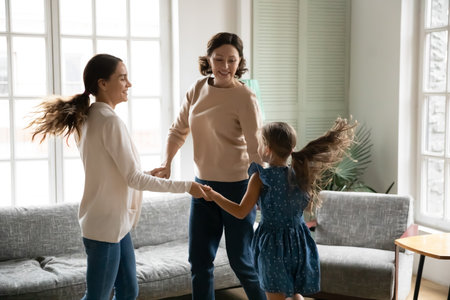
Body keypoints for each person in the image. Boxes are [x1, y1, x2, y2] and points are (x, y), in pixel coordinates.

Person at [27, 53, 209, 300]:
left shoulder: (90, 116)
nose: (129, 84)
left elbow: (116, 173)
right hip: (105, 227)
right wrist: (188, 186)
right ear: (102, 83)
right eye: (122, 78)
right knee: (98, 296)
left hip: (116, 225)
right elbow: (133, 179)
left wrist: (144, 174)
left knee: (128, 290)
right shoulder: (108, 120)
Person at [151, 32, 266, 299]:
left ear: (240, 62)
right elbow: (177, 130)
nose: (225, 66)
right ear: (209, 59)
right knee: (200, 262)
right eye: (219, 59)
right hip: (202, 188)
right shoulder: (197, 89)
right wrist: (166, 162)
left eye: (232, 60)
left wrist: (259, 190)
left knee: (242, 262)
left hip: (238, 189)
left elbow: (255, 149)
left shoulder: (245, 98)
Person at [203, 118, 356, 300]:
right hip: (299, 241)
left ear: (267, 149)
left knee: (276, 296)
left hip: (273, 245)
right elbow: (303, 205)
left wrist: (214, 196)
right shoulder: (299, 174)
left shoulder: (261, 178)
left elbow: (241, 211)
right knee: (295, 294)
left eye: (260, 144)